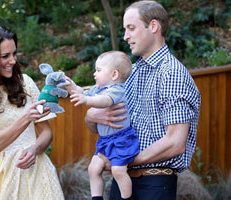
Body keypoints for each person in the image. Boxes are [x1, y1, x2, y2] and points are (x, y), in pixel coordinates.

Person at [84, 1, 201, 200]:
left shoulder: (172, 74)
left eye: (131, 28)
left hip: (154, 186)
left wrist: (124, 161)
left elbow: (175, 142)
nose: (125, 36)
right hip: (122, 182)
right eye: (124, 30)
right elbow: (102, 125)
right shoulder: (130, 74)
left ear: (153, 26)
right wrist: (91, 115)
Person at [0, 25, 64, 200]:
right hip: (2, 179)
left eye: (14, 54)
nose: (13, 61)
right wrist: (26, 118)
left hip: (38, 174)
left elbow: (46, 132)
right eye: (5, 56)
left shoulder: (26, 83)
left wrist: (34, 149)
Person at [65, 51, 139, 200]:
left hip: (121, 140)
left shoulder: (117, 90)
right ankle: (96, 198)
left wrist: (86, 100)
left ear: (114, 75)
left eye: (98, 70)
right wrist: (70, 85)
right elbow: (80, 91)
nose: (94, 74)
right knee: (93, 168)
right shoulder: (97, 89)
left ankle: (127, 198)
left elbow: (105, 101)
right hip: (105, 140)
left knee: (118, 171)